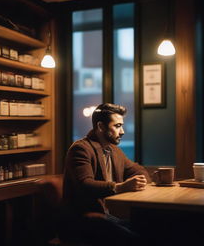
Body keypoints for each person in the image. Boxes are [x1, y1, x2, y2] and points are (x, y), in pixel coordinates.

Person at [60, 103, 151, 245]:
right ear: (101, 127)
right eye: (117, 126)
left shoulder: (113, 150)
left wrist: (142, 180)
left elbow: (137, 170)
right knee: (140, 238)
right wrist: (120, 187)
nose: (122, 131)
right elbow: (85, 185)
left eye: (121, 126)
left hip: (108, 215)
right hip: (83, 221)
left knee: (153, 228)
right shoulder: (80, 149)